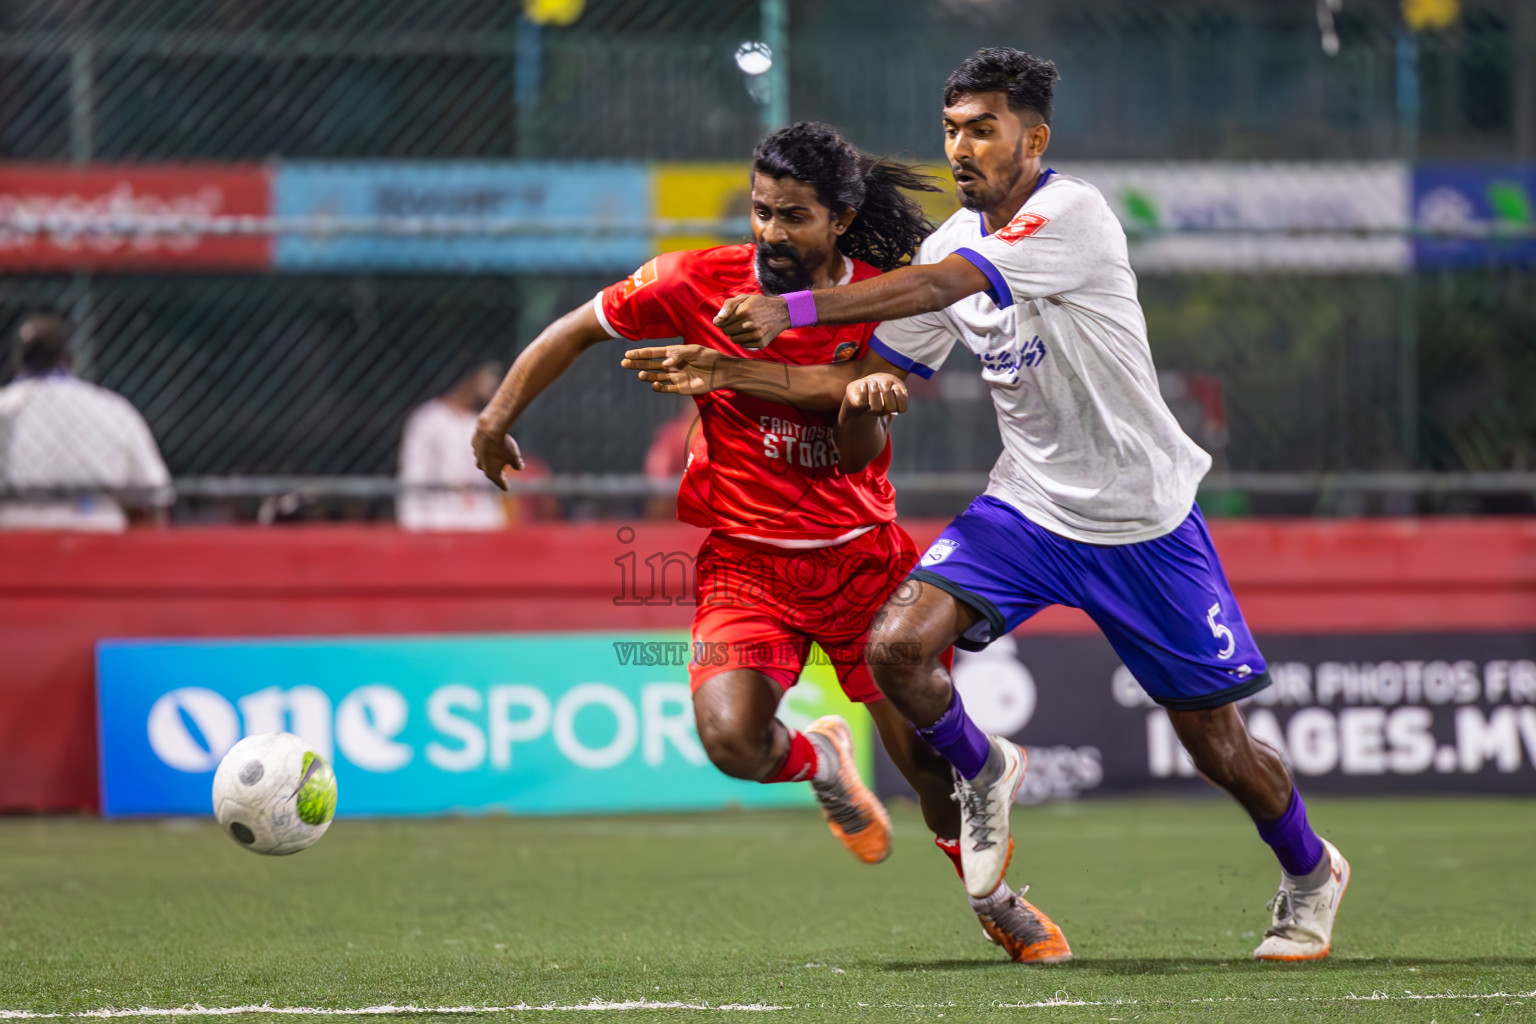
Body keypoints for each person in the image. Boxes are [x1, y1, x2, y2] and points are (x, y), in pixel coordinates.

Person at [630, 49, 1349, 963]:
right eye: (951, 128)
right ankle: (985, 767)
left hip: (1143, 518)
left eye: (982, 127)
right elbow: (867, 379)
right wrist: (735, 374)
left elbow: (940, 287)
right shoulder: (940, 247)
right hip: (1028, 506)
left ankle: (1309, 871)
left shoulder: (1071, 215)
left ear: (1032, 137)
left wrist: (798, 309)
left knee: (1217, 747)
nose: (961, 145)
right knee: (895, 647)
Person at [474, 121, 1070, 963]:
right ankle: (820, 761)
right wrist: (497, 419)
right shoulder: (692, 281)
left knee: (933, 779)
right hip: (747, 566)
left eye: (793, 217)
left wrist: (856, 398)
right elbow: (575, 328)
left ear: (841, 217)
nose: (771, 233)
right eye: (762, 212)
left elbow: (859, 444)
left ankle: (998, 904)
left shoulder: (880, 299)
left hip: (863, 562)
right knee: (729, 744)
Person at [0, 313, 173, 530]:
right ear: (71, 359)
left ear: (18, 360)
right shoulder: (112, 409)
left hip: (14, 540)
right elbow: (152, 499)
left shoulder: (4, 406)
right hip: (95, 536)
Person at [399, 362, 533, 530]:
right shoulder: (428, 420)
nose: (495, 384)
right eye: (489, 375)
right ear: (471, 376)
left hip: (481, 524)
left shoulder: (485, 424)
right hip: (438, 524)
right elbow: (413, 478)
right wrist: (413, 527)